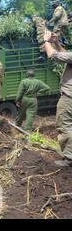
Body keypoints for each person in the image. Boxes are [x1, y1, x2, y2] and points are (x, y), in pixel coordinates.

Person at [43, 31, 72, 167]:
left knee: (64, 124)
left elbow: (52, 55)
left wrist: (47, 41)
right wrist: (56, 42)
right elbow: (66, 55)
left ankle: (69, 158)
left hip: (69, 97)